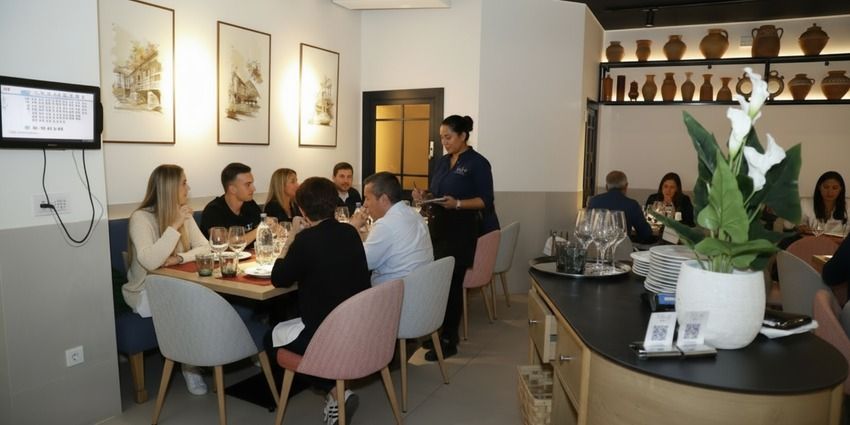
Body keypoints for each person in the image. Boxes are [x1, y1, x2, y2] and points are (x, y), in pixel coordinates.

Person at [268, 177, 370, 424]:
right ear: (335, 205)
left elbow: (278, 278)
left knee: (268, 338)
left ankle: (335, 391)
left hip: (328, 333)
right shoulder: (350, 232)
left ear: (301, 210)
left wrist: (291, 238)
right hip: (360, 324)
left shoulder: (305, 241)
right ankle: (336, 392)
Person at [412, 114, 499, 361]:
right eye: (442, 138)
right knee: (438, 282)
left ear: (463, 136)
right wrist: (424, 195)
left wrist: (458, 203)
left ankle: (450, 339)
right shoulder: (442, 162)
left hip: (461, 230)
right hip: (439, 228)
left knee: (452, 285)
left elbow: (485, 200)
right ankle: (437, 332)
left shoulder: (478, 163)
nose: (445, 142)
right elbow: (438, 192)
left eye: (448, 137)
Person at [122, 164, 211, 396]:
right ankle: (190, 367)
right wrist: (174, 226)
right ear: (169, 186)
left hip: (178, 283)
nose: (188, 187)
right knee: (191, 304)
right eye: (183, 182)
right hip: (144, 293)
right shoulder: (140, 218)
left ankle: (208, 353)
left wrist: (179, 257)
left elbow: (206, 247)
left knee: (203, 298)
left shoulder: (183, 212)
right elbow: (150, 261)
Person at [350, 171, 433, 285]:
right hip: (421, 287)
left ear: (384, 199)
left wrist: (352, 228)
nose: (365, 204)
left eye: (367, 198)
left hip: (395, 294)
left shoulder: (386, 225)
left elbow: (361, 263)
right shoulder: (414, 214)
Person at [200, 162, 262, 243]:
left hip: (252, 255)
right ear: (232, 189)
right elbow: (222, 243)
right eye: (248, 185)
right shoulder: (213, 210)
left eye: (252, 183)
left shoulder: (250, 204)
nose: (253, 188)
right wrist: (259, 230)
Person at [587, 170, 653, 243]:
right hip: (621, 249)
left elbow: (588, 229)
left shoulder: (594, 201)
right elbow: (645, 233)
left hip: (597, 247)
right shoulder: (632, 204)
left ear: (606, 186)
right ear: (626, 186)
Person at [796, 171, 848, 236]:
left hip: (839, 244)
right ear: (819, 187)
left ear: (841, 189)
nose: (830, 192)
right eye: (826, 187)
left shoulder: (848, 207)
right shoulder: (805, 204)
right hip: (812, 243)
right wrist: (802, 228)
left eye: (835, 188)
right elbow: (798, 227)